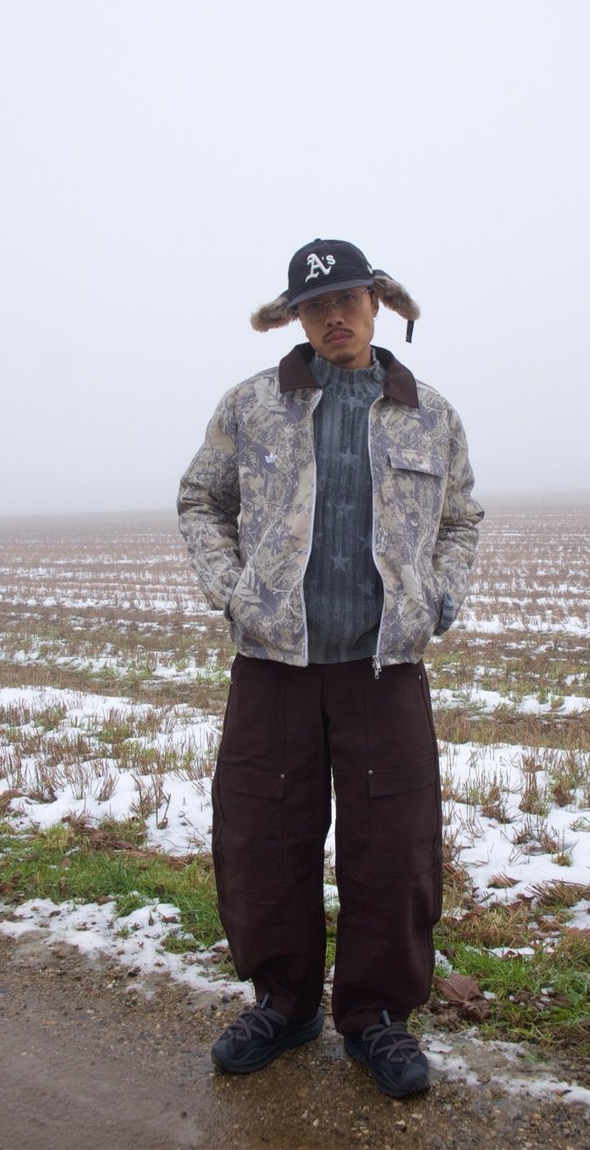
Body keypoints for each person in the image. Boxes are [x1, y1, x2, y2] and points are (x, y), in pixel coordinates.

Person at [177, 238, 483, 1098]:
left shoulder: (429, 412)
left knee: (394, 848)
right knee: (262, 839)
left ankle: (377, 1015)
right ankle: (284, 1002)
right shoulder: (252, 405)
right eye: (315, 305)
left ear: (376, 302)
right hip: (274, 664)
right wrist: (233, 591)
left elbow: (462, 517)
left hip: (384, 667)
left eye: (347, 299)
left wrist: (441, 595)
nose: (334, 317)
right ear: (296, 317)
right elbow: (201, 499)